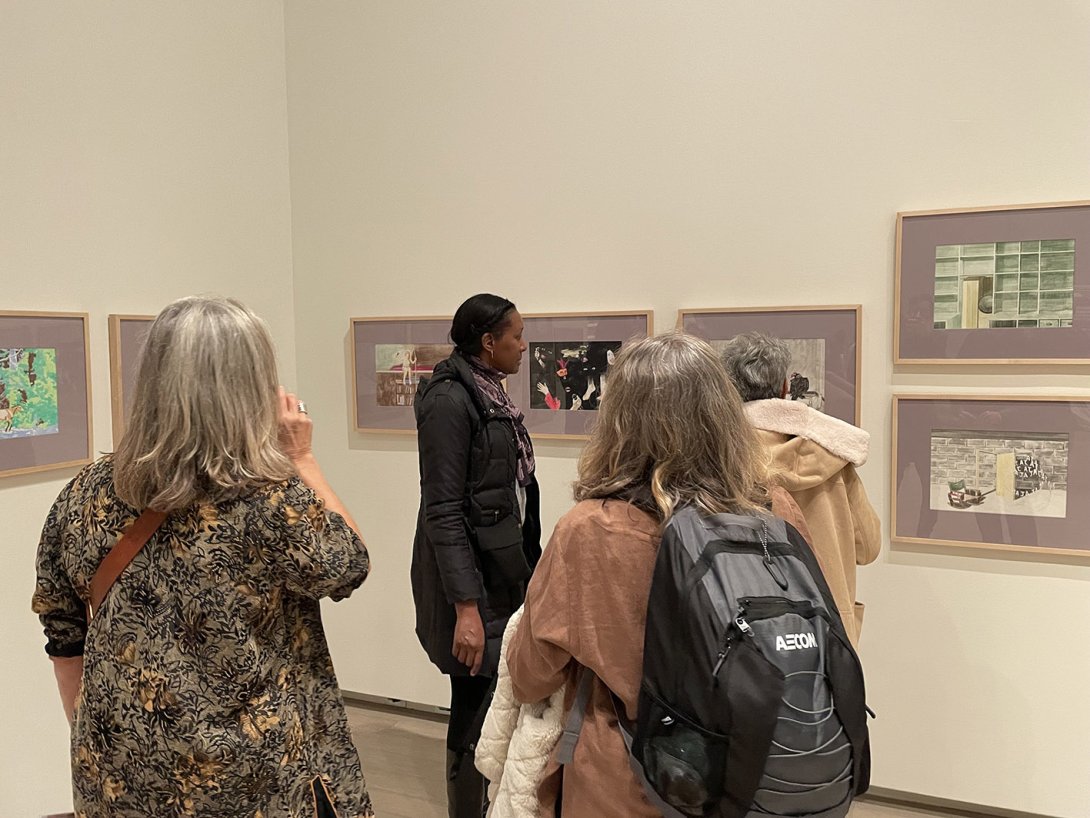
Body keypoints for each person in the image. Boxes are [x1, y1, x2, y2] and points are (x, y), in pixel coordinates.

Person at [32, 296, 374, 818]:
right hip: (246, 777)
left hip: (116, 769)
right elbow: (347, 563)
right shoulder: (267, 499)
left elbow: (63, 629)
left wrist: (93, 730)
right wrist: (302, 457)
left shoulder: (87, 492)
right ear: (252, 388)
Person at [504, 331, 810, 818]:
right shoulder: (776, 512)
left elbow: (530, 675)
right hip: (756, 772)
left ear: (619, 422)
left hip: (629, 778)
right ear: (723, 413)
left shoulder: (592, 529)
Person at [411, 293, 542, 817]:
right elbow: (443, 511)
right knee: (472, 704)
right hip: (469, 587)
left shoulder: (489, 396)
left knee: (493, 700)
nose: (524, 346)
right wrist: (465, 607)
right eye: (516, 336)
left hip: (497, 573)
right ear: (488, 343)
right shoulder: (449, 400)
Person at [721, 331, 881, 646]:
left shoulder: (719, 457)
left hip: (748, 635)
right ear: (784, 387)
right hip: (827, 631)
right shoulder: (833, 455)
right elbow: (868, 547)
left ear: (726, 387)